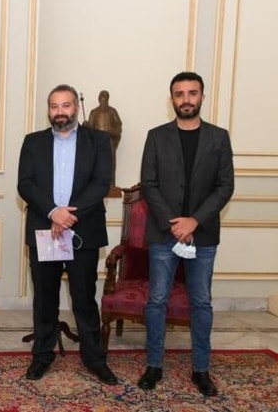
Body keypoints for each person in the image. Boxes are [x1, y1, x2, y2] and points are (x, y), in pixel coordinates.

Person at [137, 72, 234, 397]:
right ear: (172, 99)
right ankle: (153, 366)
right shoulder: (156, 136)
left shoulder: (219, 138)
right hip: (164, 234)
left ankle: (201, 370)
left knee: (202, 303)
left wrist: (194, 221)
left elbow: (225, 186)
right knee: (157, 301)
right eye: (179, 94)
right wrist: (174, 224)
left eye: (192, 93)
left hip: (203, 235)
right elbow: (149, 185)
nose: (186, 99)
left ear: (202, 97)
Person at [16, 84, 117, 385]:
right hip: (44, 229)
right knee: (44, 298)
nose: (59, 112)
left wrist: (68, 216)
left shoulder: (98, 140)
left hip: (83, 230)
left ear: (76, 107)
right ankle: (42, 356)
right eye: (54, 106)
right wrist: (52, 212)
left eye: (66, 105)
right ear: (48, 110)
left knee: (84, 298)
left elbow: (102, 183)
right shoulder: (33, 142)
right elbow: (25, 183)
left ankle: (94, 358)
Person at [84, 90, 123, 188]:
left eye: (105, 100)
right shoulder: (94, 113)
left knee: (111, 165)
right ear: (99, 100)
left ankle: (111, 186)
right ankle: (97, 186)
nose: (103, 102)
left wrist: (111, 131)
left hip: (109, 142)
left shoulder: (112, 111)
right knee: (97, 165)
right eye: (102, 100)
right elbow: (90, 129)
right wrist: (86, 126)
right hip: (97, 143)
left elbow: (118, 126)